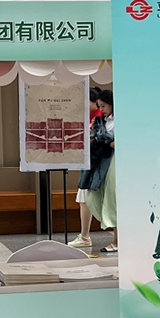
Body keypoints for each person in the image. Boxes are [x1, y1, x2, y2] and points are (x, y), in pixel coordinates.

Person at [73, 90, 117, 252]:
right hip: (101, 162)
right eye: (100, 106)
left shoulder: (117, 120)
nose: (102, 109)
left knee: (112, 199)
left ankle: (117, 240)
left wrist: (109, 143)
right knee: (95, 197)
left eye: (103, 106)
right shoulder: (102, 120)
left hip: (113, 161)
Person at [69, 87, 104, 247]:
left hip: (97, 163)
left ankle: (85, 236)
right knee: (83, 198)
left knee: (85, 197)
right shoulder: (86, 116)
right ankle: (84, 235)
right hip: (88, 161)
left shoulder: (100, 118)